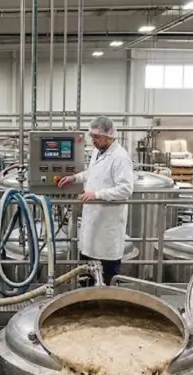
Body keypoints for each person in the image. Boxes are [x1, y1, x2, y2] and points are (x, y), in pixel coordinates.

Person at [56, 116, 135, 286]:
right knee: (88, 272)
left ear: (110, 136)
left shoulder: (120, 157)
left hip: (107, 226)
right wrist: (74, 178)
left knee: (107, 277)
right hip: (93, 222)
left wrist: (97, 194)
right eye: (91, 136)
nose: (93, 140)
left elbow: (126, 189)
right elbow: (92, 173)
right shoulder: (97, 152)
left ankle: (107, 308)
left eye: (97, 137)